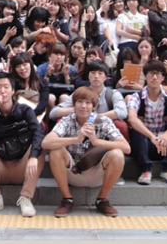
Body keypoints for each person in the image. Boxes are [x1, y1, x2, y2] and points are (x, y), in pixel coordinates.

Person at [43, 86, 131, 218]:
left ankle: (102, 199)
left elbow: (126, 148)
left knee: (117, 154)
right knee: (55, 152)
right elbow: (46, 143)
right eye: (80, 102)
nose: (83, 106)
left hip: (97, 171)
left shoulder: (103, 121)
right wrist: (76, 139)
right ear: (74, 105)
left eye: (88, 103)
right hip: (72, 171)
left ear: (94, 106)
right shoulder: (67, 120)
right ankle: (67, 199)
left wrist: (96, 141)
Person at [0, 73, 45, 217]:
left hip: (22, 168)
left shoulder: (25, 110)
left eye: (6, 87)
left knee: (39, 148)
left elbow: (38, 132)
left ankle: (26, 198)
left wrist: (33, 157)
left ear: (13, 91)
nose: (2, 91)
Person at [127, 60, 167, 186]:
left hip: (164, 145)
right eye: (151, 74)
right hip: (145, 143)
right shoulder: (136, 97)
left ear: (162, 77)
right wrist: (151, 137)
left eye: (158, 74)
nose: (154, 77)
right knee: (136, 130)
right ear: (145, 77)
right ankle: (145, 170)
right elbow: (132, 119)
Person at [50, 61, 129, 139]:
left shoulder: (113, 94)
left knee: (120, 125)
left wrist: (94, 118)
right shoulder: (80, 92)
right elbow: (53, 113)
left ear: (105, 77)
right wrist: (78, 109)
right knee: (60, 121)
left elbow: (122, 112)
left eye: (100, 73)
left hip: (104, 132)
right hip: (79, 131)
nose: (96, 76)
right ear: (88, 76)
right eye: (93, 73)